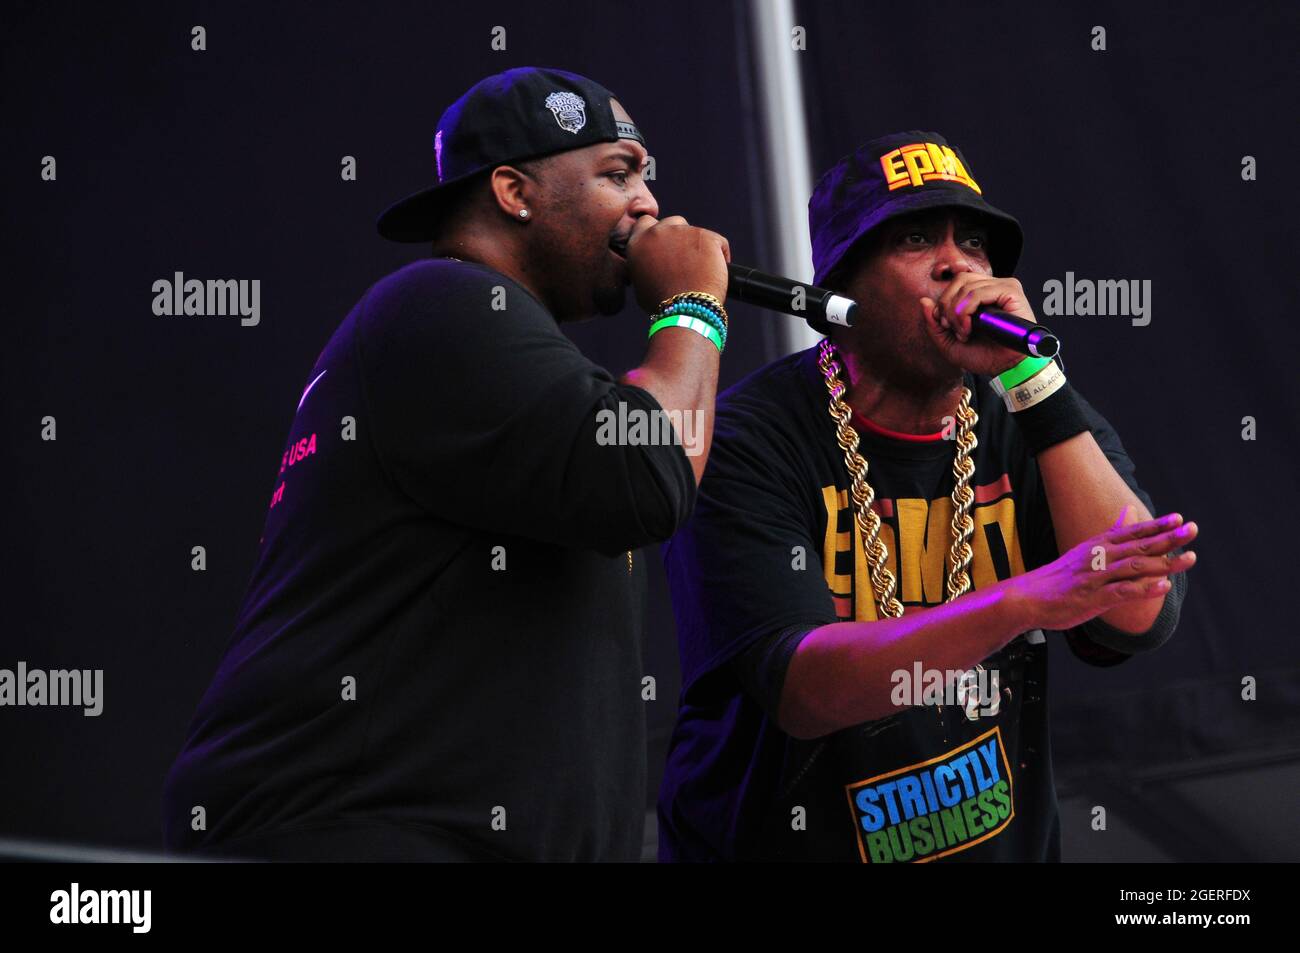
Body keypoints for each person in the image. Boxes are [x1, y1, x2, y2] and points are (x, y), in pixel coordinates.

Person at [162, 67, 732, 862]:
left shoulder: (510, 359)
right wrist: (694, 308)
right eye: (617, 173)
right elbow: (646, 473)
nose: (648, 203)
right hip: (362, 834)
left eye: (647, 176)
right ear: (513, 190)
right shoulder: (440, 304)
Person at [658, 131, 1197, 862]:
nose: (959, 264)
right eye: (916, 238)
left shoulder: (1024, 413)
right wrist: (1021, 602)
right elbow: (806, 689)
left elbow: (1141, 611)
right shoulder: (753, 440)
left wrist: (1036, 381)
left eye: (974, 243)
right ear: (840, 294)